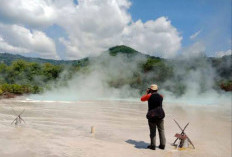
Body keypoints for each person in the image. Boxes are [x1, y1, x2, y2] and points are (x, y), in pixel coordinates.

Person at [141, 84, 166, 150]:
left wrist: (147, 93)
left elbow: (142, 99)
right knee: (161, 131)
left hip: (152, 116)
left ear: (151, 90)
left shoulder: (149, 96)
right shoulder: (161, 96)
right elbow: (159, 97)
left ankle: (153, 146)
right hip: (160, 115)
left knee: (152, 132)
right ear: (157, 90)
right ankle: (162, 145)